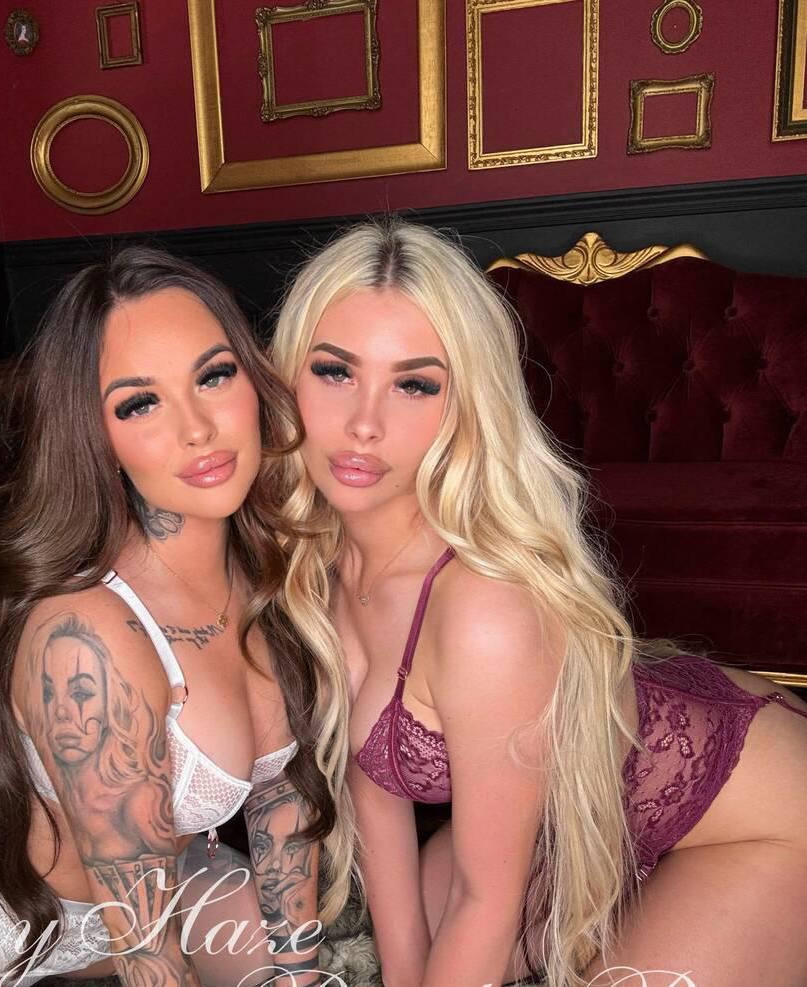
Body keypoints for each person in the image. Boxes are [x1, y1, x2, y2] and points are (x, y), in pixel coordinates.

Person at [0, 246, 355, 987]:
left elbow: (282, 797)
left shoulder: (275, 571)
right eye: (139, 403)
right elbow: (149, 958)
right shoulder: (87, 634)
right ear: (96, 435)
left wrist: (299, 974)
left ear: (254, 380)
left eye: (213, 375)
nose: (198, 429)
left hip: (124, 907)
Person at [268, 218, 807, 987]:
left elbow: (486, 903)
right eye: (334, 371)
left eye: (414, 383)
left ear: (465, 404)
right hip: (572, 821)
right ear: (288, 375)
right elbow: (375, 791)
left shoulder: (483, 609)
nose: (364, 423)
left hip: (758, 817)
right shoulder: (317, 562)